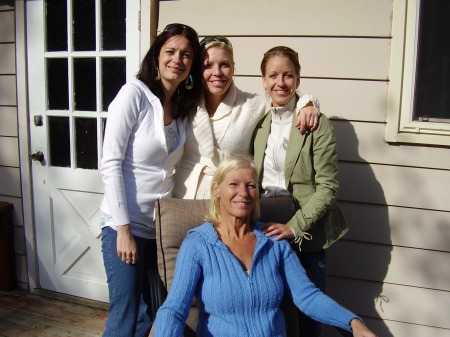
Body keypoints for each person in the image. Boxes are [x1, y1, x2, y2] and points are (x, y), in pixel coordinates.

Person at [152, 155, 376, 337]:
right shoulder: (199, 244)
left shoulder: (273, 240)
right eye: (234, 184)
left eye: (251, 186)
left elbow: (307, 296)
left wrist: (353, 323)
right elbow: (174, 309)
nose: (244, 193)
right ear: (217, 189)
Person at [98, 23, 202, 337]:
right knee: (125, 316)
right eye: (170, 51)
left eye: (186, 54)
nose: (178, 59)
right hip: (124, 225)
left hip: (157, 229)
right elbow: (111, 164)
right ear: (156, 56)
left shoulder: (183, 107)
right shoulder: (134, 95)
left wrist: (306, 101)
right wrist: (123, 229)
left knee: (149, 316)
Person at [253, 46, 349, 337]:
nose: (280, 82)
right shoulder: (259, 122)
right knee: (271, 308)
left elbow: (328, 187)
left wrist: (294, 228)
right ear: (263, 80)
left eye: (288, 75)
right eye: (273, 75)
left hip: (305, 233)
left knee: (309, 312)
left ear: (298, 78)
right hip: (266, 229)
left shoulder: (316, 124)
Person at [174, 36, 320, 199]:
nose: (217, 72)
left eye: (224, 65)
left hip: (230, 200)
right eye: (208, 65)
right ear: (198, 70)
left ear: (233, 68)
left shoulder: (252, 105)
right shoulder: (185, 104)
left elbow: (283, 99)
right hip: (185, 195)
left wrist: (307, 103)